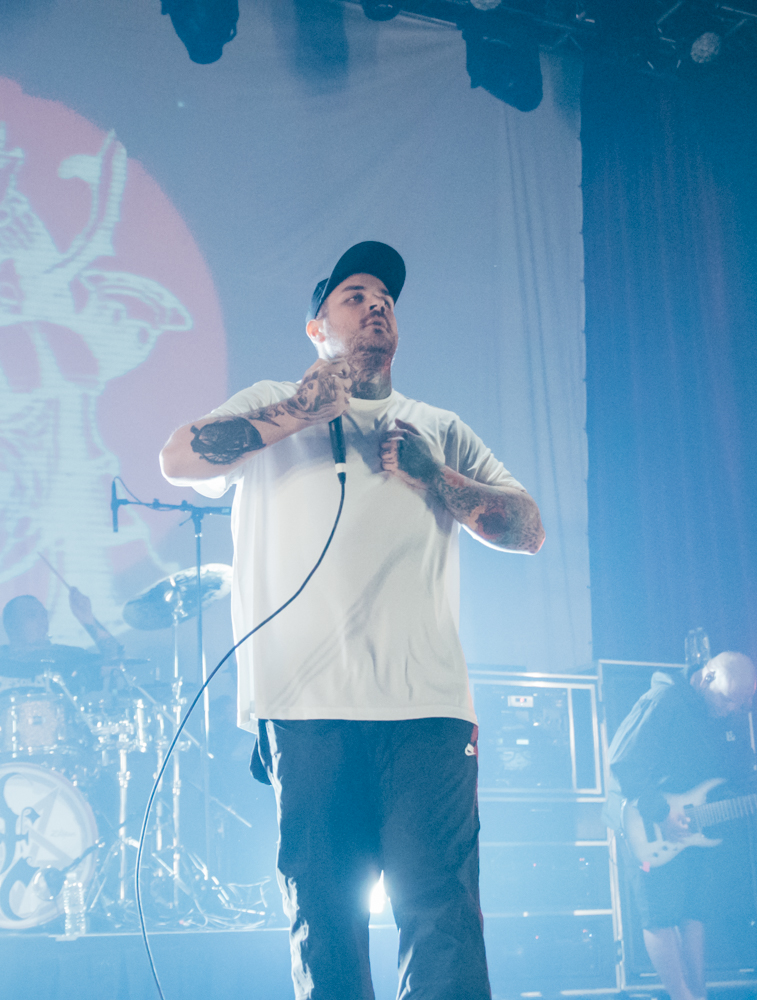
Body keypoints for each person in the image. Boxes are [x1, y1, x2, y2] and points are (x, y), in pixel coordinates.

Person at [159, 241, 544, 1000]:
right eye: (355, 295)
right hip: (305, 709)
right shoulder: (272, 403)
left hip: (426, 711)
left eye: (386, 299)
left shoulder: (436, 426)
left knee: (442, 915)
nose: (376, 306)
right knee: (325, 921)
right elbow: (179, 459)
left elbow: (528, 530)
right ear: (317, 329)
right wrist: (302, 411)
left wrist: (436, 476)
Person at [604, 651, 757, 1000]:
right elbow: (624, 762)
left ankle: (699, 994)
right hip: (646, 823)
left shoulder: (728, 717)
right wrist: (661, 813)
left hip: (695, 827)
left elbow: (745, 778)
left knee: (694, 912)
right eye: (725, 699)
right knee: (659, 914)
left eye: (739, 703)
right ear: (706, 678)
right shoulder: (663, 701)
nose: (730, 709)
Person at [0, 590, 123, 770]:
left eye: (44, 615)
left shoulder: (67, 660)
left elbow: (115, 664)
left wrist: (87, 618)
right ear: (11, 625)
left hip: (61, 768)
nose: (42, 622)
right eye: (32, 616)